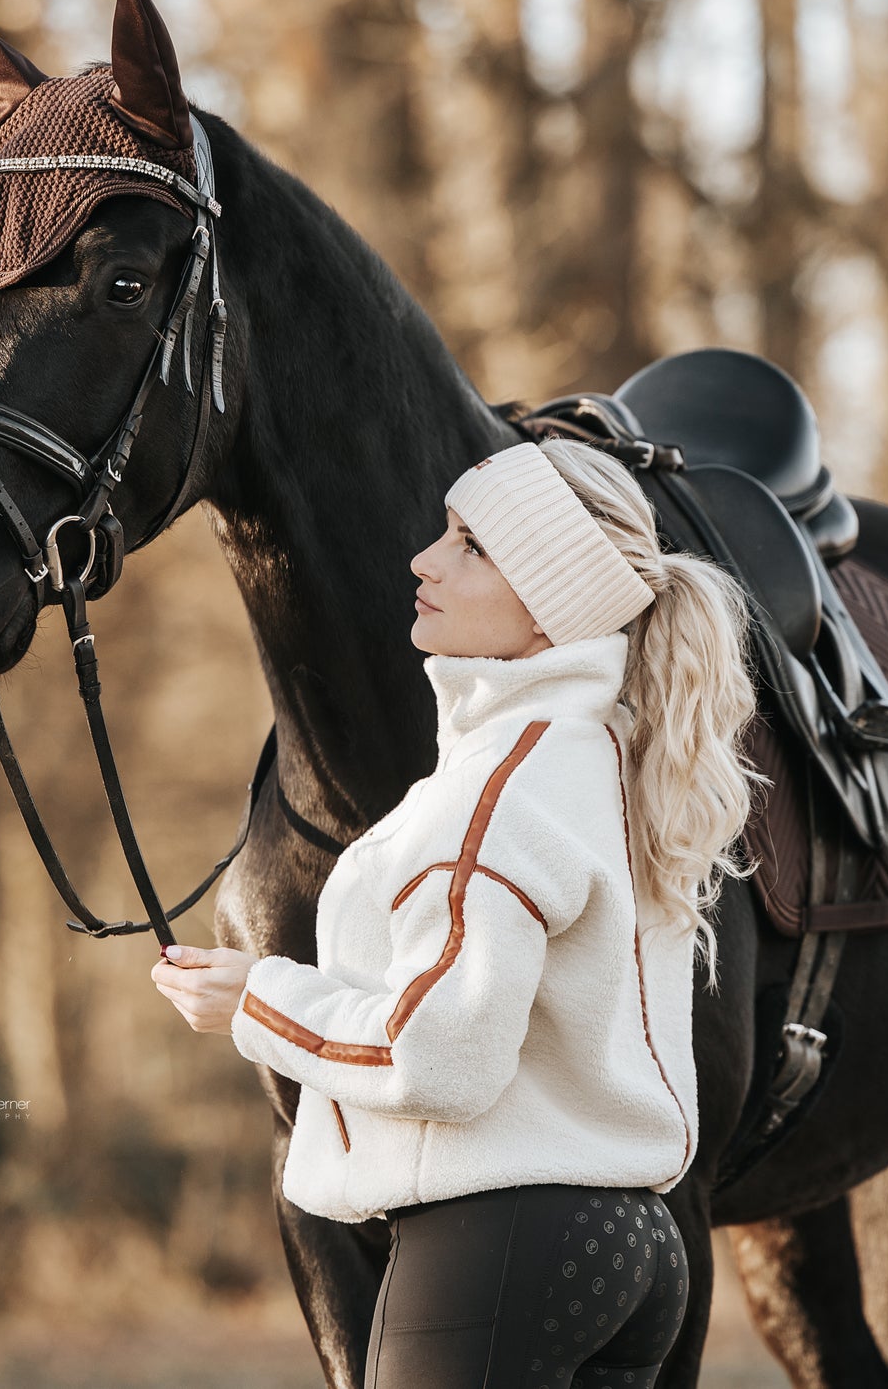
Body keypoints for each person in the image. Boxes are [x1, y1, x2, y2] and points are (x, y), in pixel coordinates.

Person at [152, 438, 761, 1388]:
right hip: (640, 1247)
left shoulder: (503, 785)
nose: (423, 560)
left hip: (504, 1244)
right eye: (446, 532)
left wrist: (256, 1002)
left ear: (547, 598)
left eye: (470, 543)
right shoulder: (611, 760)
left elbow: (441, 1055)